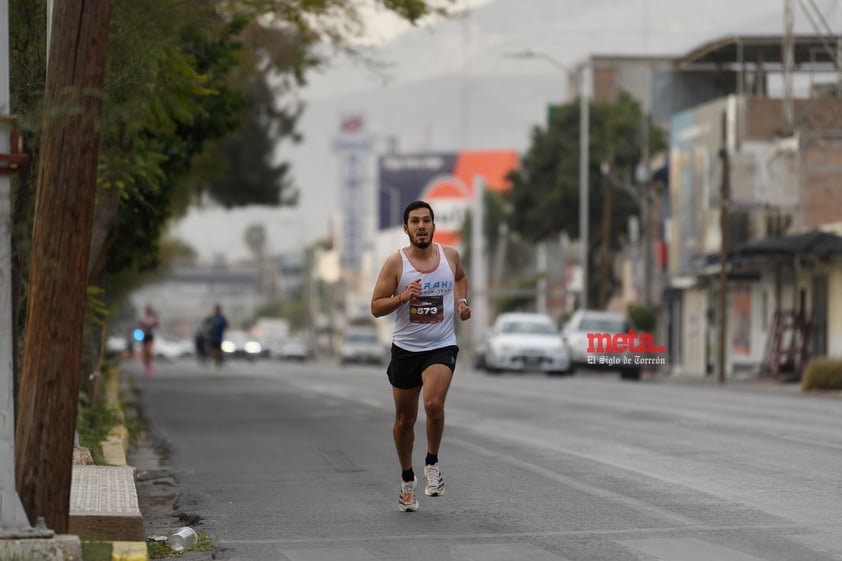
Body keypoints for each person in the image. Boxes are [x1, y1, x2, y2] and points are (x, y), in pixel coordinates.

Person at [370, 200, 471, 512]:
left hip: (440, 344)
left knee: (434, 404)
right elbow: (376, 307)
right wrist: (402, 297)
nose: (421, 226)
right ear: (406, 228)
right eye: (415, 221)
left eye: (426, 220)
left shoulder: (450, 256)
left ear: (434, 226)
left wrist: (462, 301)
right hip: (406, 349)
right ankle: (406, 481)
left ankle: (432, 462)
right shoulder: (395, 264)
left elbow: (460, 278)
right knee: (404, 420)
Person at [205, 304, 229, 369]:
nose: (218, 311)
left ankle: (218, 362)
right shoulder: (212, 318)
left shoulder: (222, 318)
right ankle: (212, 359)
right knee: (211, 349)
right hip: (212, 337)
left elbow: (226, 325)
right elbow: (206, 324)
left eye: (219, 309)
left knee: (218, 350)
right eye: (217, 309)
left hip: (219, 338)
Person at [138, 305, 159, 377]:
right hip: (144, 336)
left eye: (149, 310)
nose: (147, 312)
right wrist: (144, 326)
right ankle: (147, 366)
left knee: (148, 350)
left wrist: (153, 324)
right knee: (145, 353)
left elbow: (156, 325)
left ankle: (150, 365)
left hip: (150, 336)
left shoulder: (153, 319)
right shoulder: (143, 319)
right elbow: (140, 326)